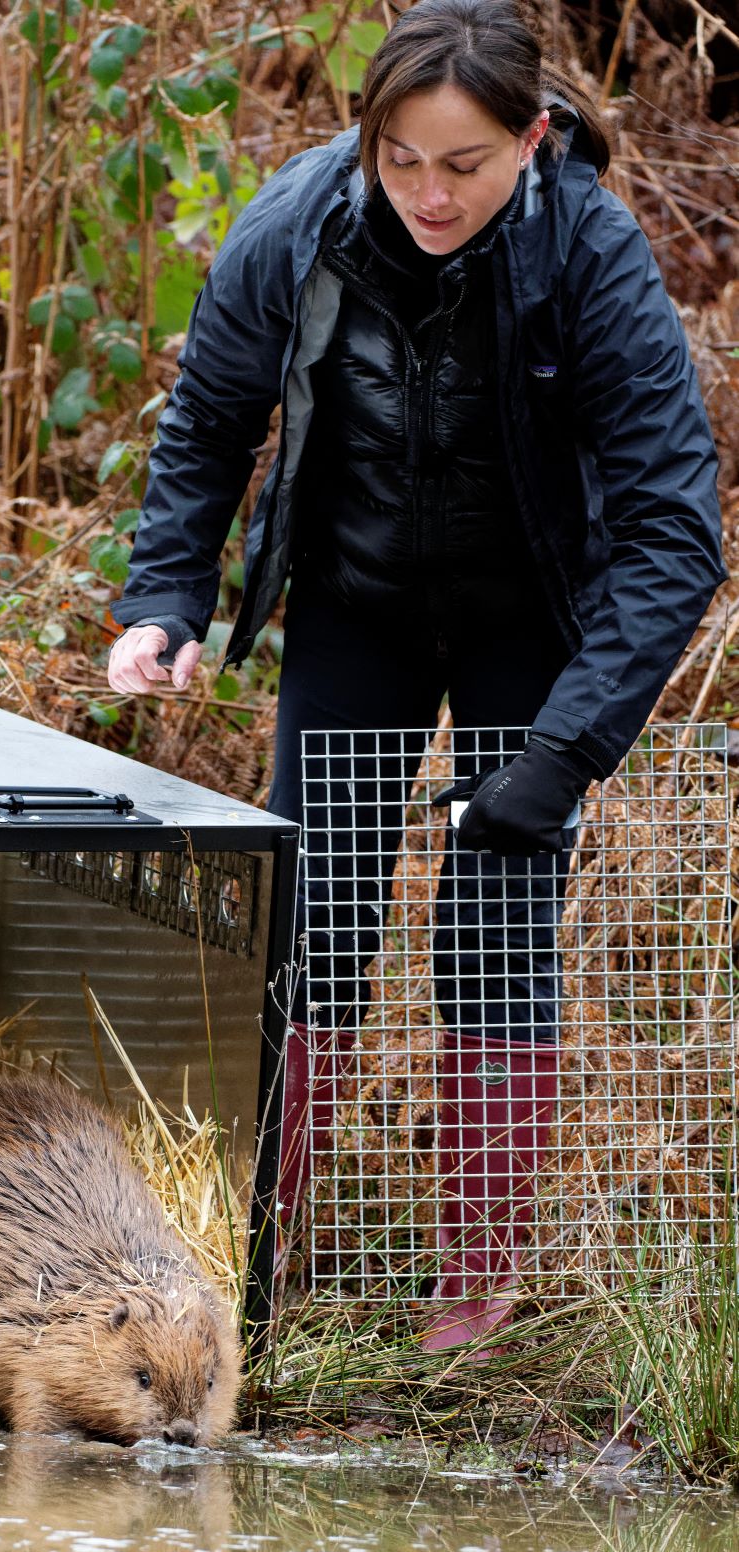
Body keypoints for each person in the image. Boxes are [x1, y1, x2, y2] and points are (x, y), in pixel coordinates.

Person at [106, 0, 723, 1356]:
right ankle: (257, 1275)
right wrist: (167, 595)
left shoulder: (591, 253)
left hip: (529, 618)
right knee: (310, 926)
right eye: (401, 160)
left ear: (532, 141)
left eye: (465, 164)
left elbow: (678, 532)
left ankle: (471, 1303)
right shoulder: (292, 229)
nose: (428, 194)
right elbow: (210, 416)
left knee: (492, 935)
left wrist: (561, 754)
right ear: (366, 140)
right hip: (355, 601)